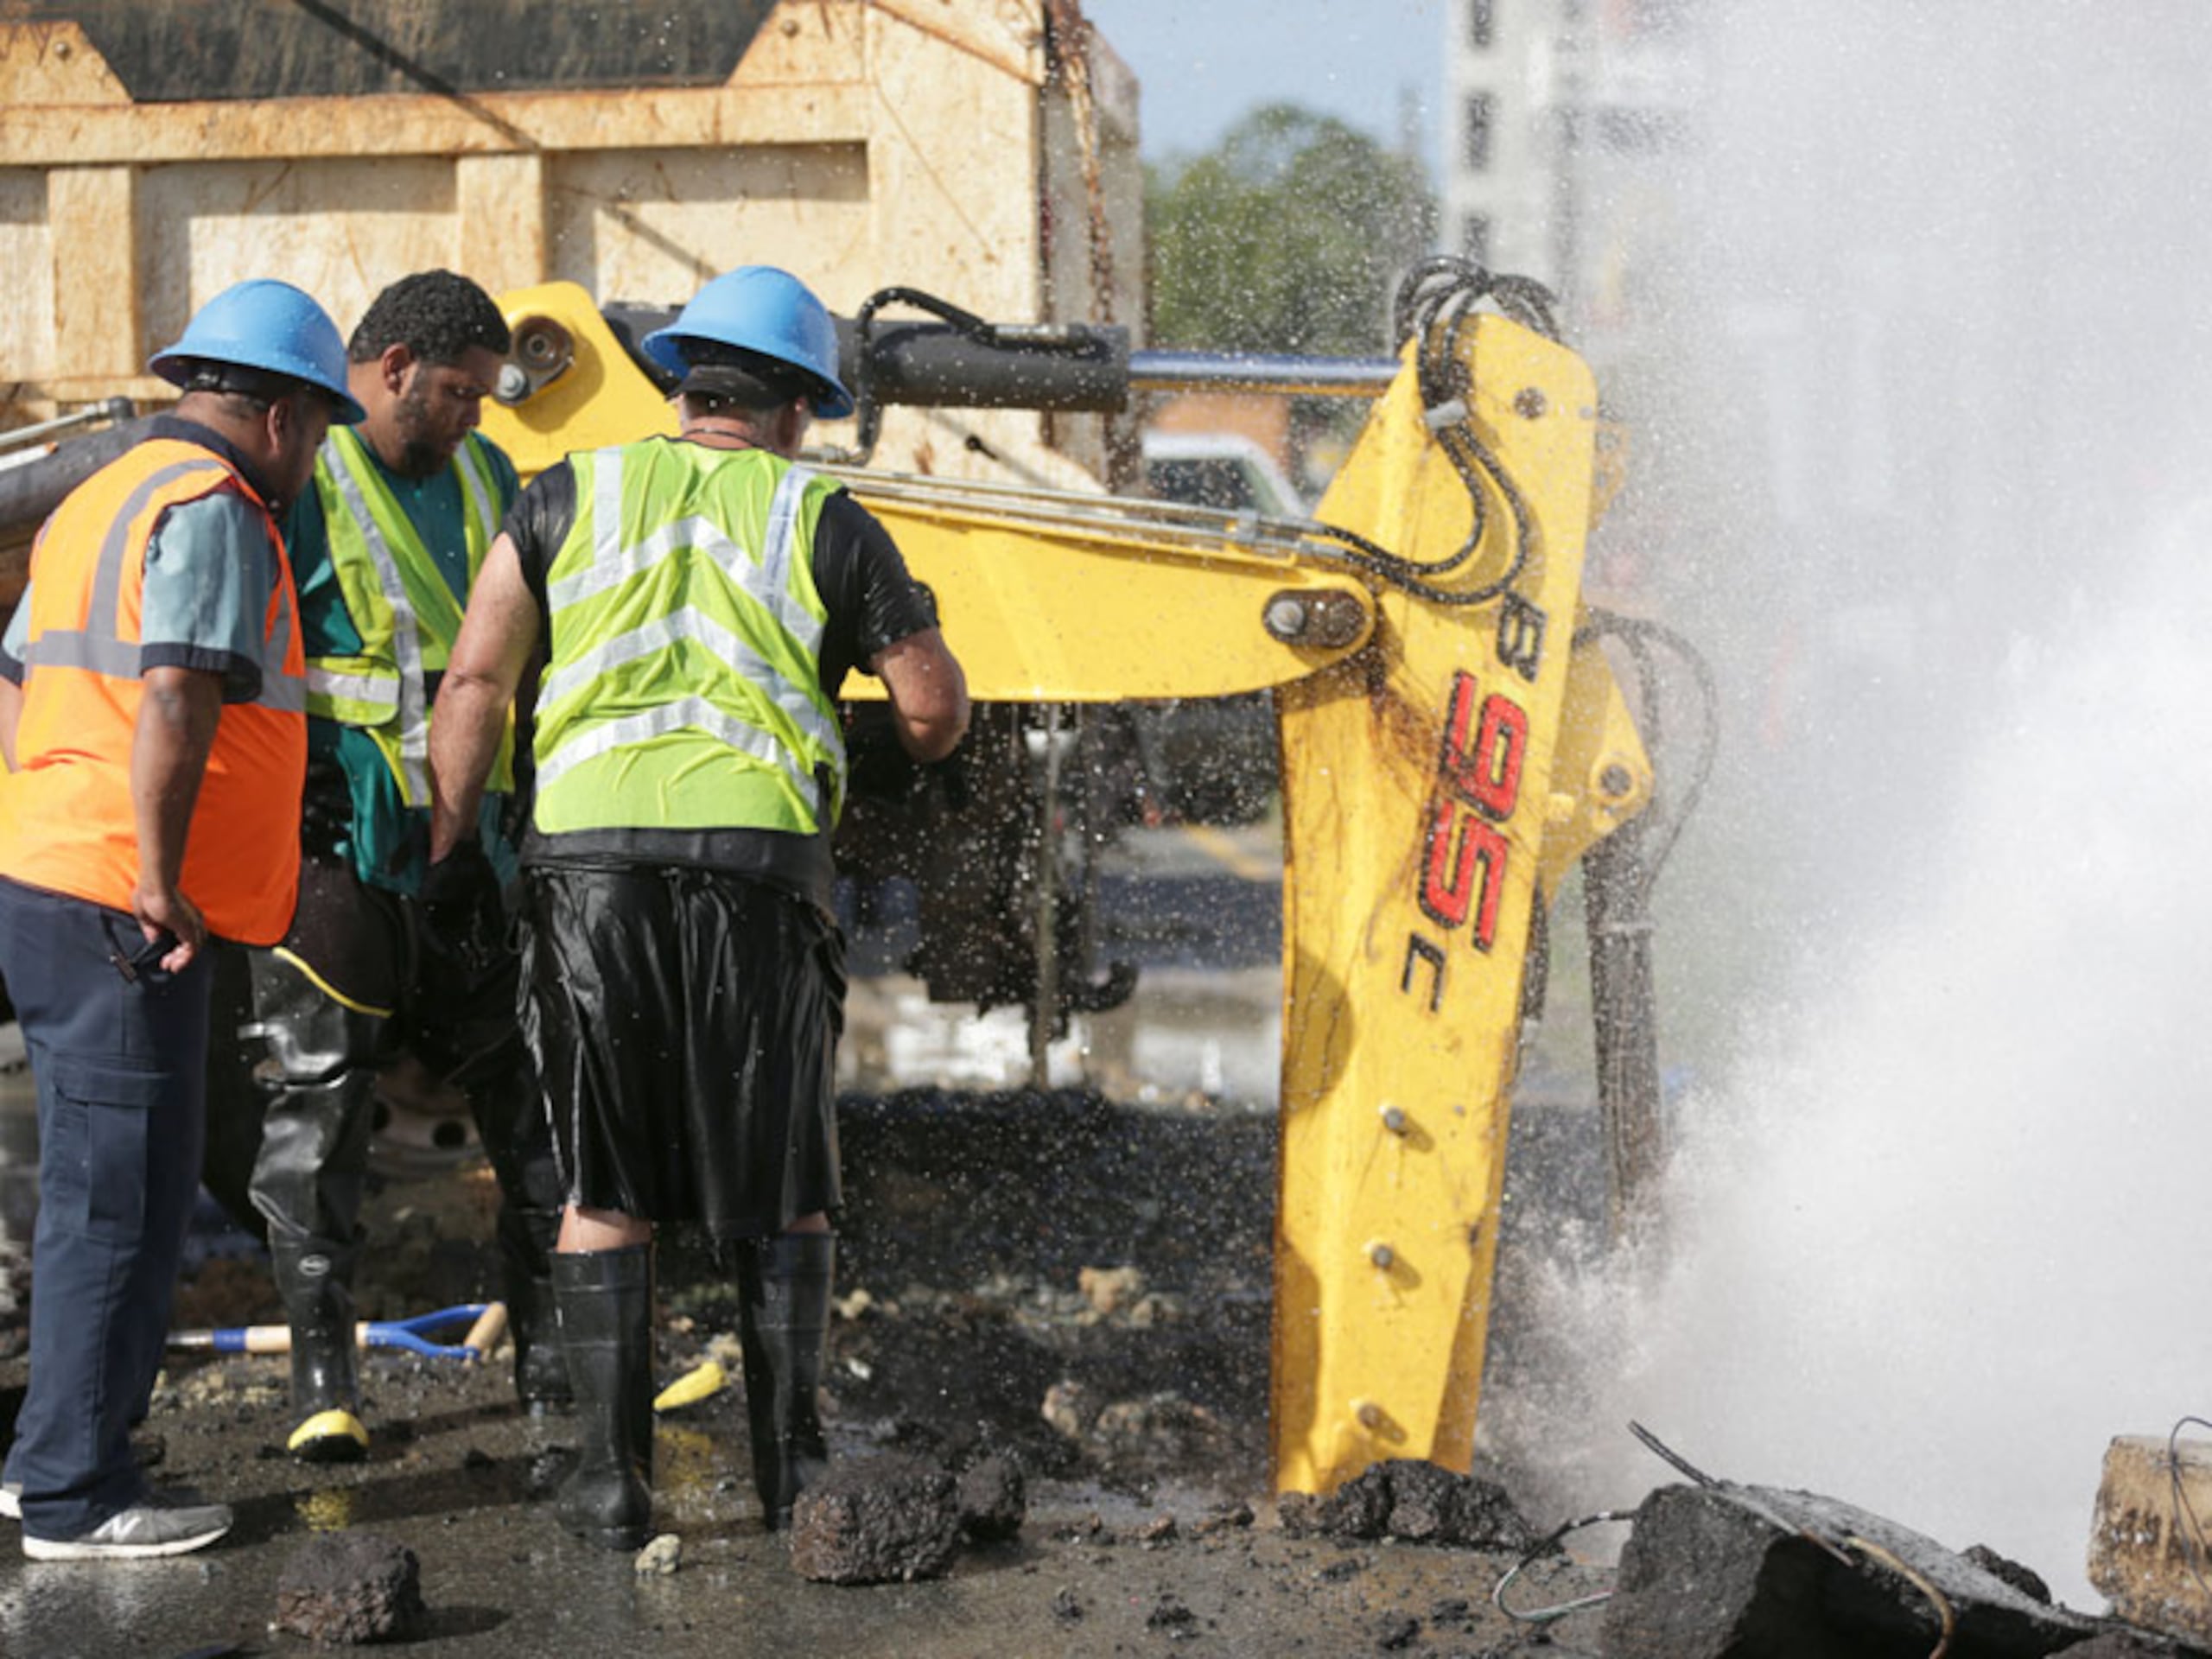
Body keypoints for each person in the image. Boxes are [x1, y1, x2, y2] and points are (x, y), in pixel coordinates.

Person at [428, 265, 969, 1548]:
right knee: (783, 1180)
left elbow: (474, 680)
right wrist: (908, 754)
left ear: (683, 388)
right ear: (796, 411)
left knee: (604, 1181)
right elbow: (934, 708)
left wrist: (455, 849)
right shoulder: (829, 518)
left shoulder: (561, 496)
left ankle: (610, 1483)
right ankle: (791, 1472)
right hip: (757, 876)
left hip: (589, 870)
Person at [0, 280, 360, 1559]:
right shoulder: (213, 509)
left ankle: (62, 1447)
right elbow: (173, 697)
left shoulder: (97, 499)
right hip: (122, 904)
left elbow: (16, 681)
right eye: (318, 429)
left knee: (90, 1192)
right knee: (123, 1203)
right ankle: (73, 1500)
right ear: (272, 415)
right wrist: (152, 869)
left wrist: (50, 821)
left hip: (56, 882)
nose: (315, 456)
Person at [199, 270, 569, 1465]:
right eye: (455, 392)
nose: (471, 416)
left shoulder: (487, 478)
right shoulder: (310, 473)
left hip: (470, 851)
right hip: (340, 852)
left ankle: (561, 1370)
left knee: (533, 1105)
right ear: (396, 364)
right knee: (318, 1115)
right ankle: (324, 1382)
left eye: (482, 398)